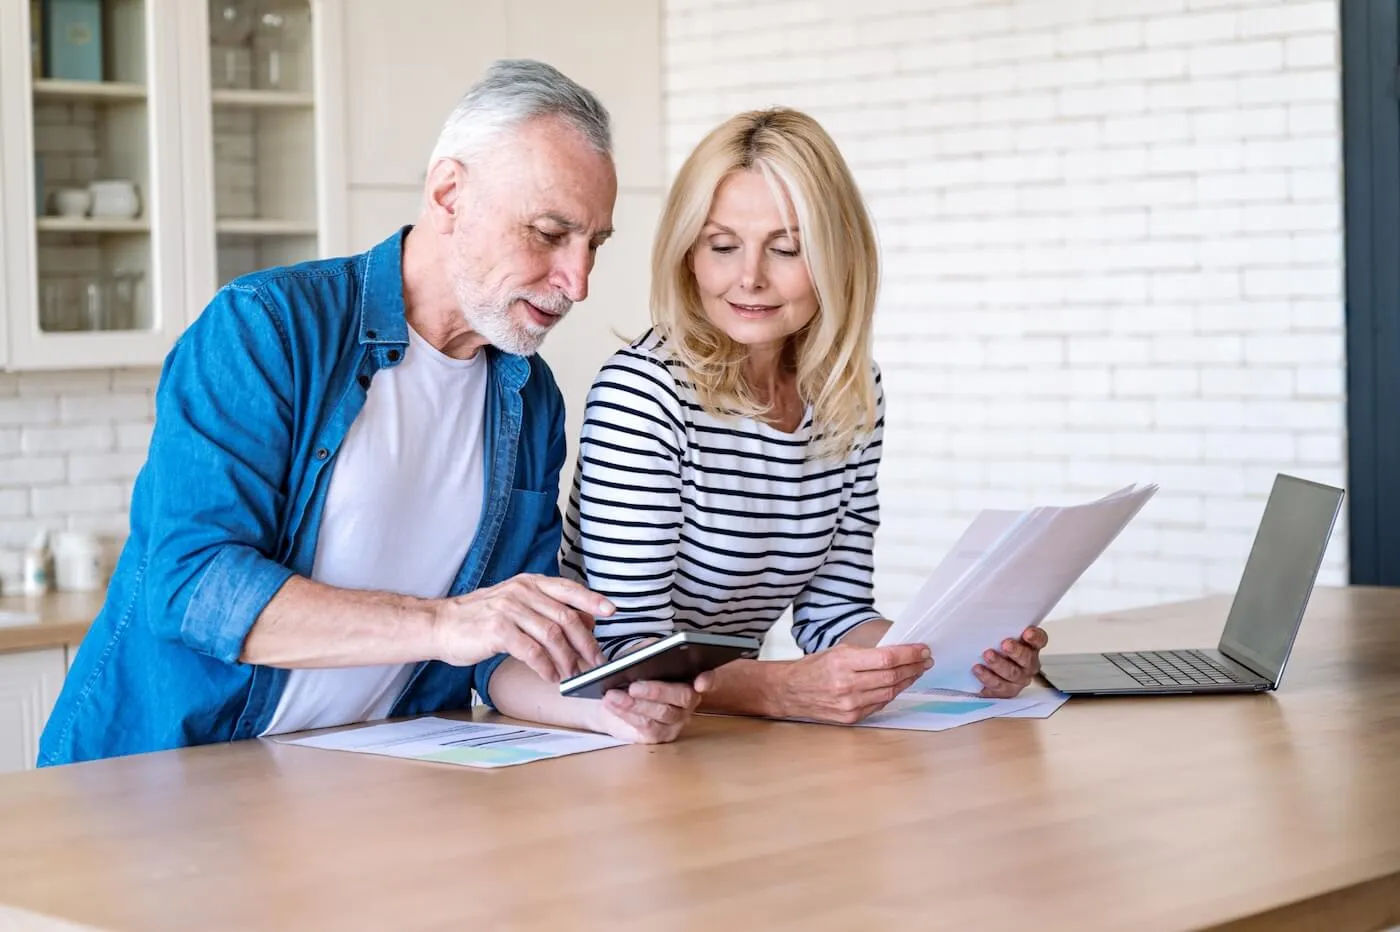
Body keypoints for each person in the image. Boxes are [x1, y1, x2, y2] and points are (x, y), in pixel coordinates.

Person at [38, 59, 699, 767]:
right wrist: (443, 626)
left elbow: (496, 658)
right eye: (547, 233)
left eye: (592, 244)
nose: (579, 281)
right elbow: (193, 586)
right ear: (449, 193)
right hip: (157, 784)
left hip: (356, 786)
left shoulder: (528, 396)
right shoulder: (269, 328)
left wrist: (605, 707)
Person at [546, 108, 1049, 726]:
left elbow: (836, 616)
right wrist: (778, 691)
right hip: (604, 734)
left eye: (786, 249)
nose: (749, 278)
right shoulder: (643, 392)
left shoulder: (850, 394)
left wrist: (960, 659)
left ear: (837, 257)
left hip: (715, 731)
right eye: (722, 246)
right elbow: (628, 653)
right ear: (688, 255)